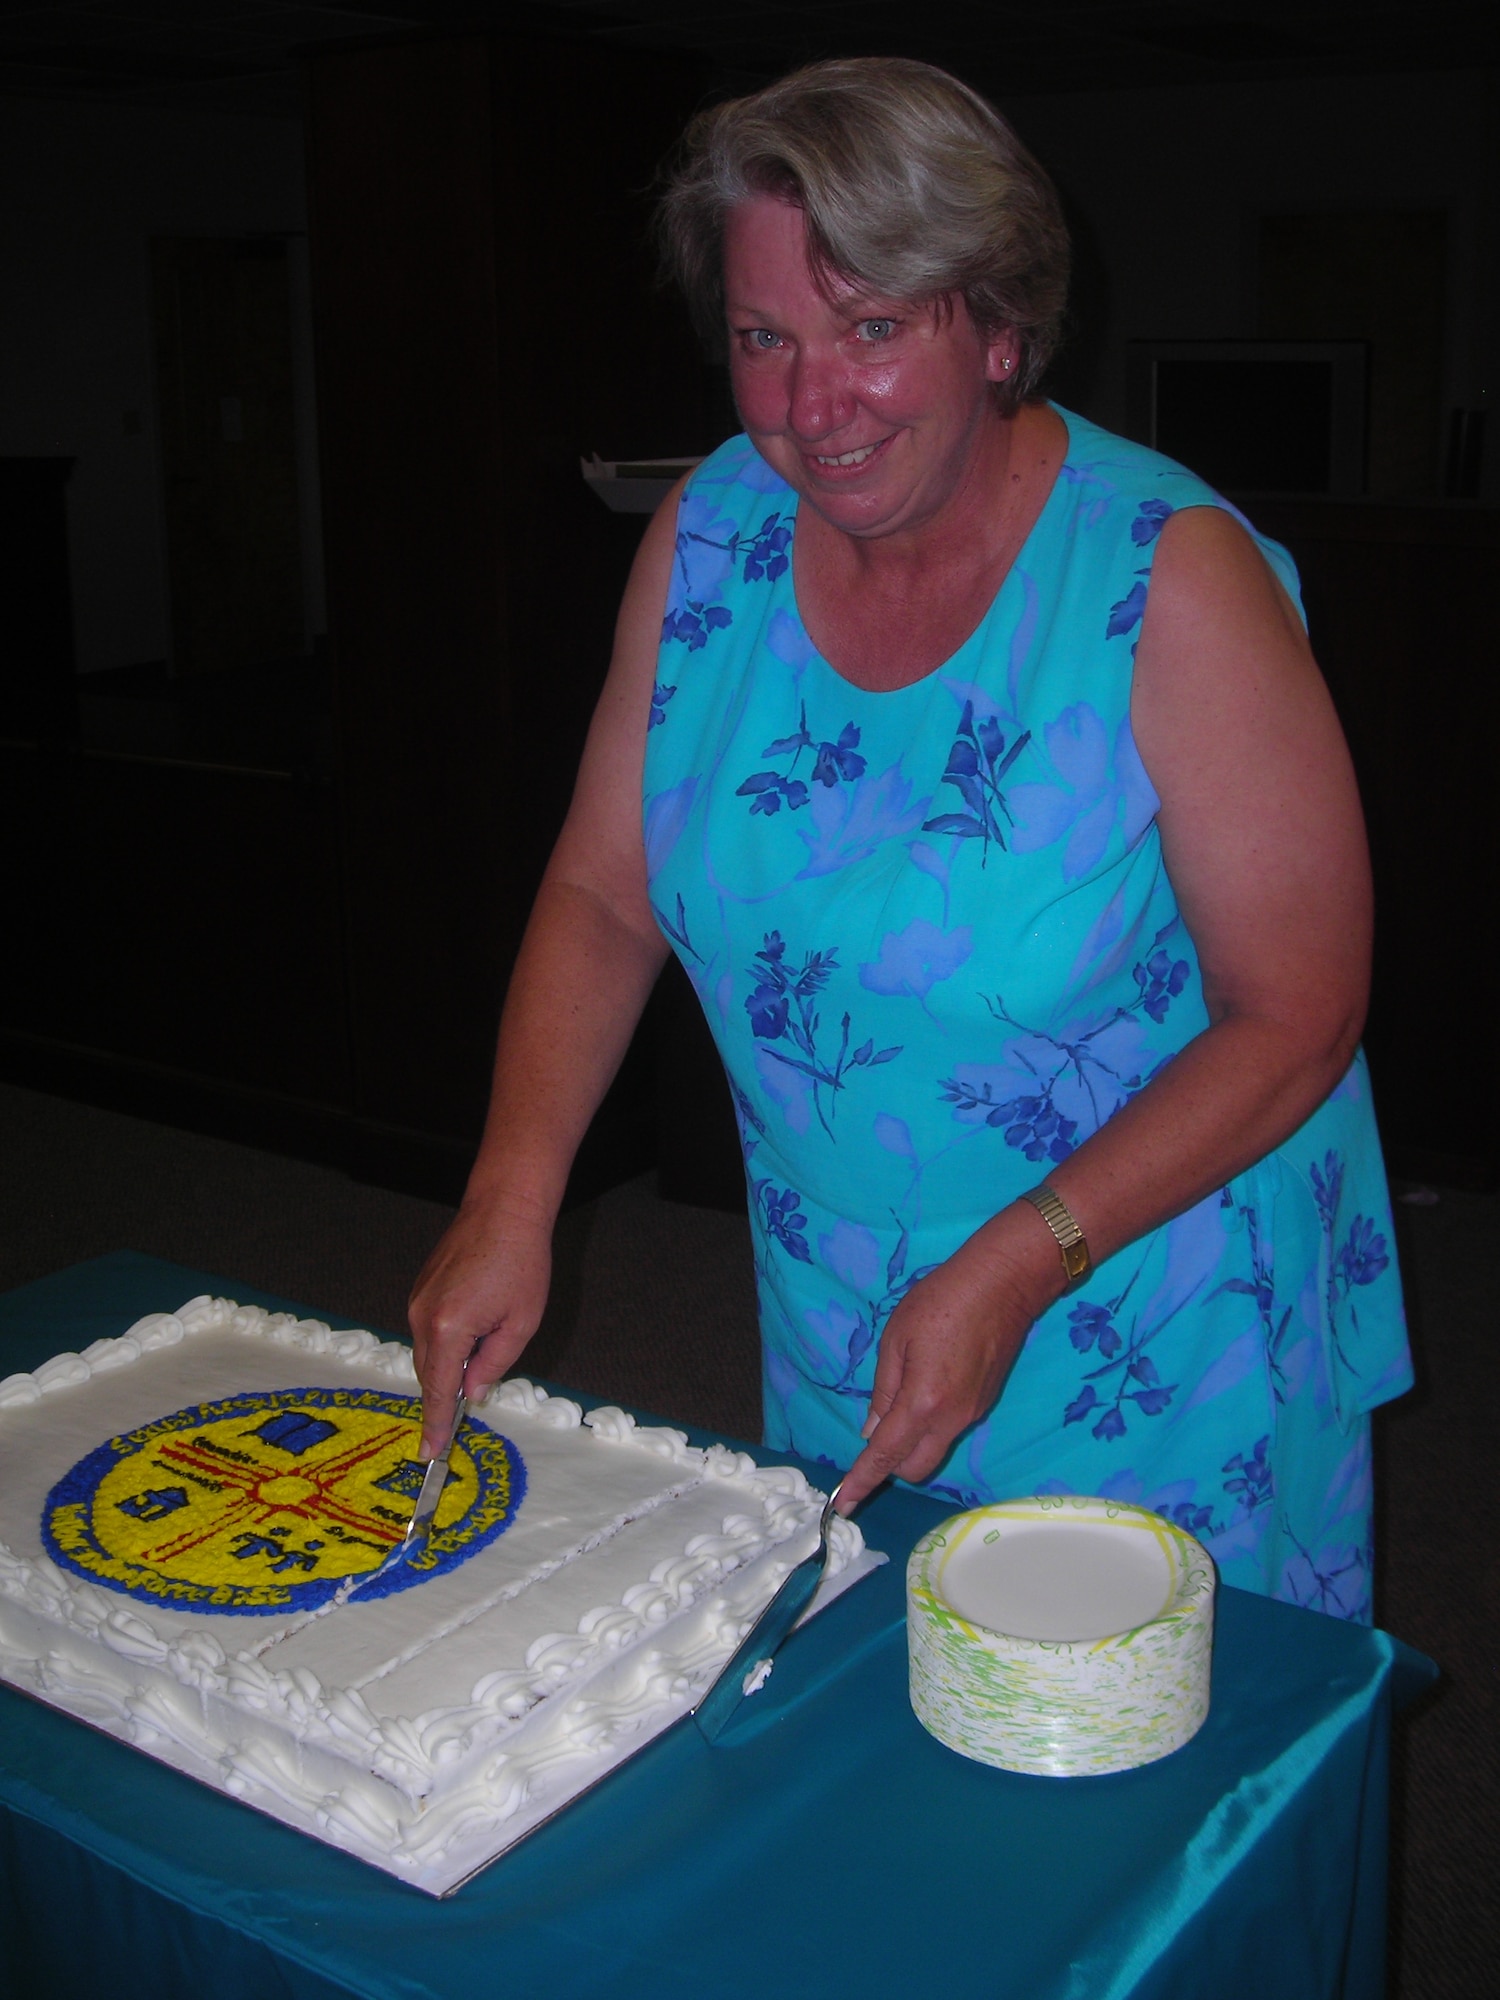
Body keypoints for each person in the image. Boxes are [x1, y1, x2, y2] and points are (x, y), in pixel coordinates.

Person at [409, 56, 1409, 1621]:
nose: (813, 406)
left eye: (874, 327)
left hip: (1149, 1301)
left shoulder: (1170, 582)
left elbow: (1299, 1013)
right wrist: (509, 1195)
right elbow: (609, 891)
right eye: (764, 337)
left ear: (998, 326)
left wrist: (1018, 1260)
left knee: (1121, 1776)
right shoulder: (713, 538)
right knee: (890, 1739)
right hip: (842, 1288)